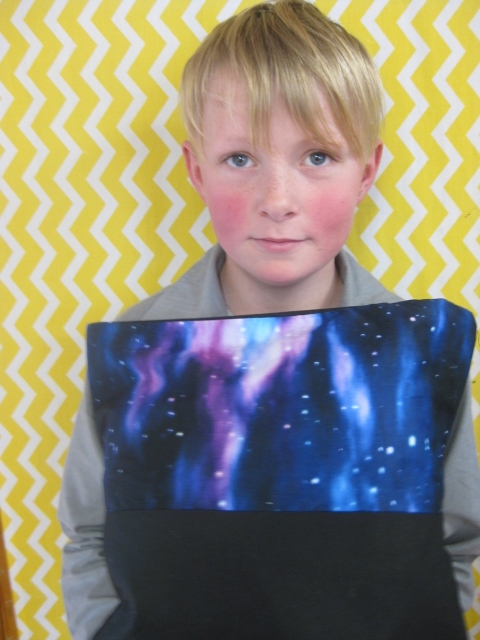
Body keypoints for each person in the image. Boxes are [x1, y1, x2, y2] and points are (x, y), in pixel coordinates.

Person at [58, 1, 480, 638]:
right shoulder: (140, 353)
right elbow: (90, 535)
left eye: (318, 157)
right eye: (240, 159)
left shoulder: (418, 354)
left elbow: (452, 542)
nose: (278, 201)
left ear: (367, 172)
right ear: (196, 170)